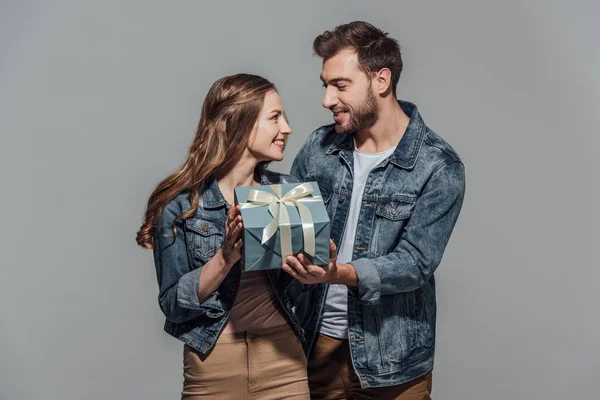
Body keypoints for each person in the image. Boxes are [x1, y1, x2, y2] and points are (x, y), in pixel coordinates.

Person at [283, 22, 466, 399]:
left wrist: (338, 273)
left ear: (381, 80)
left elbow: (416, 262)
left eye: (340, 85)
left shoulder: (438, 166)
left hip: (393, 360)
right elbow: (289, 234)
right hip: (313, 347)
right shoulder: (319, 147)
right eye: (325, 85)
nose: (327, 100)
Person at [136, 73, 310, 399]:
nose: (286, 127)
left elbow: (305, 291)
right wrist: (226, 257)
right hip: (213, 361)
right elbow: (173, 305)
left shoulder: (287, 193)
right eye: (274, 117)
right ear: (241, 124)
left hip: (283, 357)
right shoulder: (182, 207)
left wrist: (316, 269)